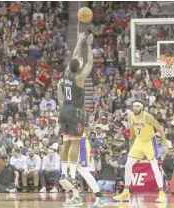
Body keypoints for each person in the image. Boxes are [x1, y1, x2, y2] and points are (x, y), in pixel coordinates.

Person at [57, 32, 108, 207]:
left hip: (64, 110)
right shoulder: (79, 78)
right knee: (81, 167)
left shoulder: (65, 75)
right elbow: (90, 63)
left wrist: (78, 40)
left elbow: (74, 56)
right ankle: (98, 197)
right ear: (78, 68)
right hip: (76, 115)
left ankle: (72, 185)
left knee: (68, 145)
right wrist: (88, 44)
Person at [113, 100, 167, 203]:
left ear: (141, 107)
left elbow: (160, 129)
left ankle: (161, 193)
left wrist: (164, 145)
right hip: (138, 142)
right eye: (134, 106)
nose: (135, 108)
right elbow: (133, 130)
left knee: (155, 167)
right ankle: (126, 192)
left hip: (149, 142)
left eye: (138, 106)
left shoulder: (147, 117)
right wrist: (131, 141)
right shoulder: (130, 116)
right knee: (128, 164)